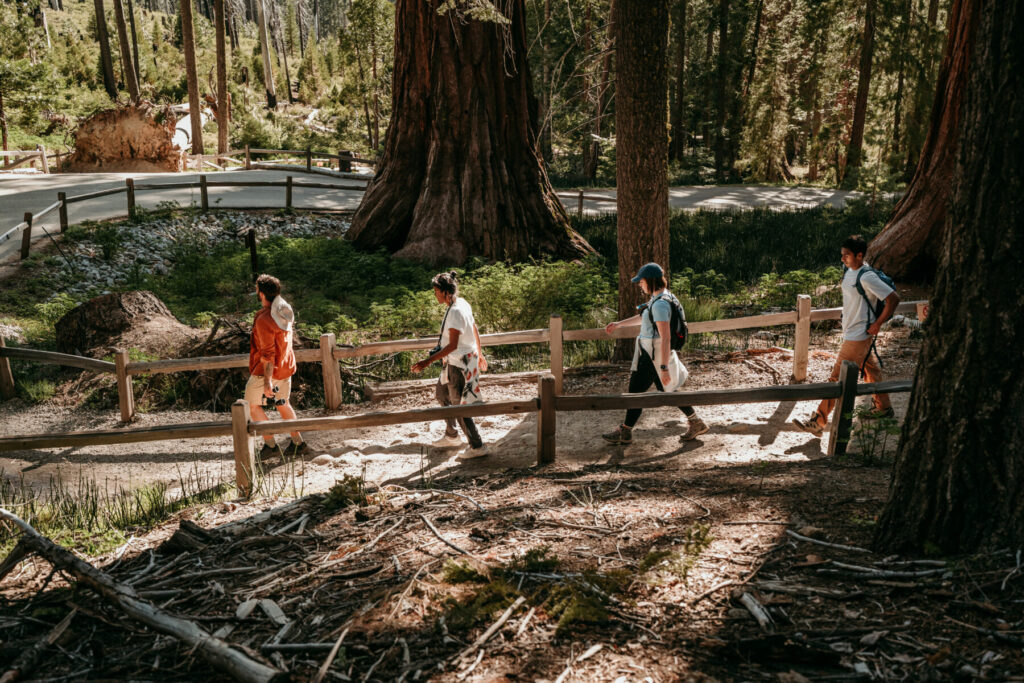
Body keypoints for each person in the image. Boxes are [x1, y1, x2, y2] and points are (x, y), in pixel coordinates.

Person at [793, 235, 900, 437]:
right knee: (872, 371)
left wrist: (878, 324)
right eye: (842, 255)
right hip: (853, 332)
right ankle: (884, 409)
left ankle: (818, 421)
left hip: (858, 335)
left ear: (859, 255)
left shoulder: (867, 276)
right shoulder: (849, 270)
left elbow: (893, 299)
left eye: (847, 255)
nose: (842, 259)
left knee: (837, 378)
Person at [602, 262, 708, 446]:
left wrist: (664, 367)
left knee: (635, 392)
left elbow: (665, 338)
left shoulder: (660, 304)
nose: (639, 285)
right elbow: (645, 317)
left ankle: (625, 431)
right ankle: (696, 421)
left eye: (641, 281)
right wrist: (619, 324)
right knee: (669, 390)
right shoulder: (661, 297)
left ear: (650, 281)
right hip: (653, 353)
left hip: (654, 356)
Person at [411, 271, 489, 459]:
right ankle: (452, 435)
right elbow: (474, 328)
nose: (435, 295)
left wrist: (427, 362)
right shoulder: (461, 303)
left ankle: (477, 445)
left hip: (459, 365)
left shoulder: (455, 311)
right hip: (456, 362)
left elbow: (453, 345)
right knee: (441, 394)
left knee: (459, 406)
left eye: (437, 291)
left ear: (446, 292)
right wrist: (480, 353)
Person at [246, 274, 311, 459]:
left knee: (252, 405)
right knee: (282, 403)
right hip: (286, 367)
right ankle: (299, 443)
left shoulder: (265, 319)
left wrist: (267, 382)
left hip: (267, 371)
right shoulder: (284, 310)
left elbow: (267, 354)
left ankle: (271, 445)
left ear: (261, 293)